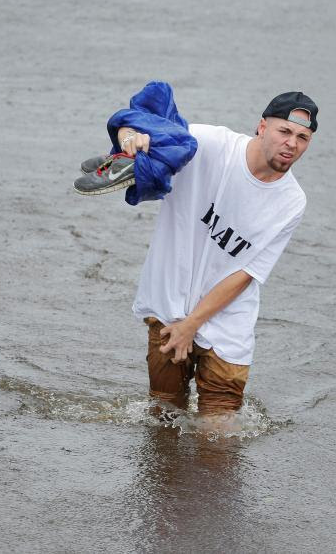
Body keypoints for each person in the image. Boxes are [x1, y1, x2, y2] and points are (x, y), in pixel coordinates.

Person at [116, 91, 317, 417]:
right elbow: (133, 122)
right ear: (262, 127)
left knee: (219, 441)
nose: (291, 144)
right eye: (285, 131)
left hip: (228, 325)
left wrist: (193, 324)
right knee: (163, 419)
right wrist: (129, 139)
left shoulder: (292, 202)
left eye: (302, 137)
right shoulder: (207, 144)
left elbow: (247, 273)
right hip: (169, 307)